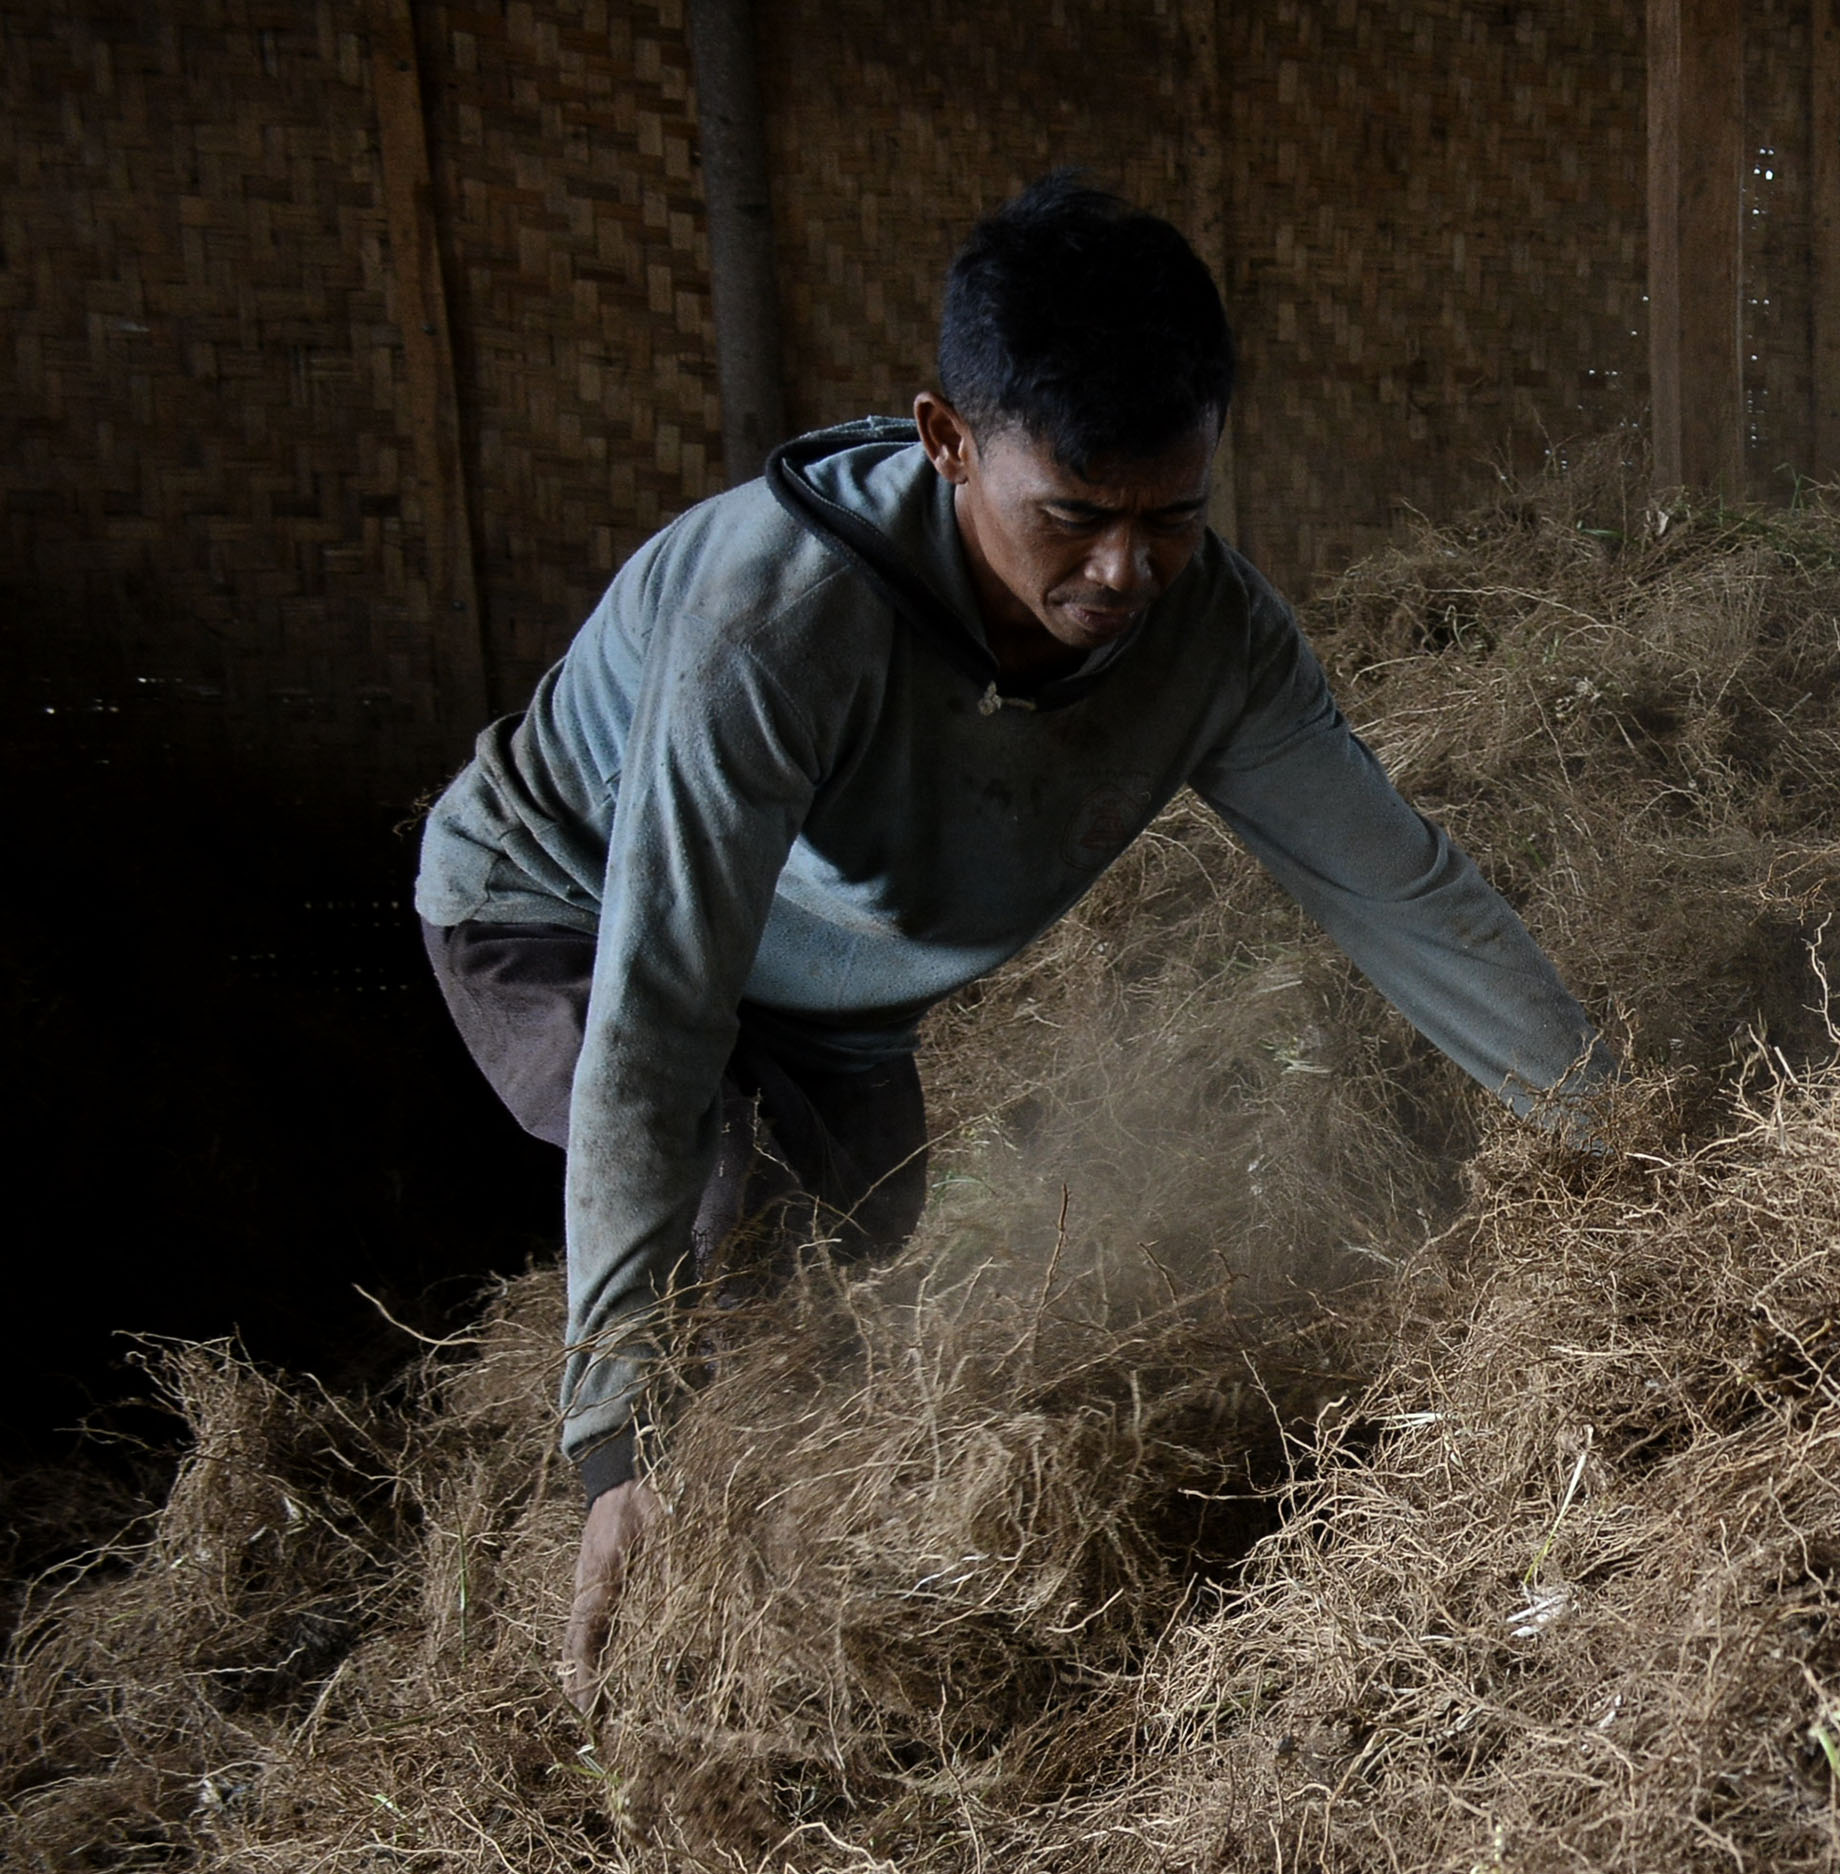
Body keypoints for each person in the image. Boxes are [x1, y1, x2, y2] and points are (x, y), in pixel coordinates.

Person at [410, 174, 1607, 1706]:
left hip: (825, 978)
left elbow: (1404, 891)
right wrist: (616, 1429)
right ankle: (632, 1633)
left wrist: (1611, 1124)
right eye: (1077, 515)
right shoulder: (773, 627)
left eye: (1172, 517)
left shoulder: (1210, 643)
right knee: (732, 1205)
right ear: (947, 438)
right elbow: (654, 1011)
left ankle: (803, 1568)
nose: (1125, 573)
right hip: (564, 907)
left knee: (854, 1252)